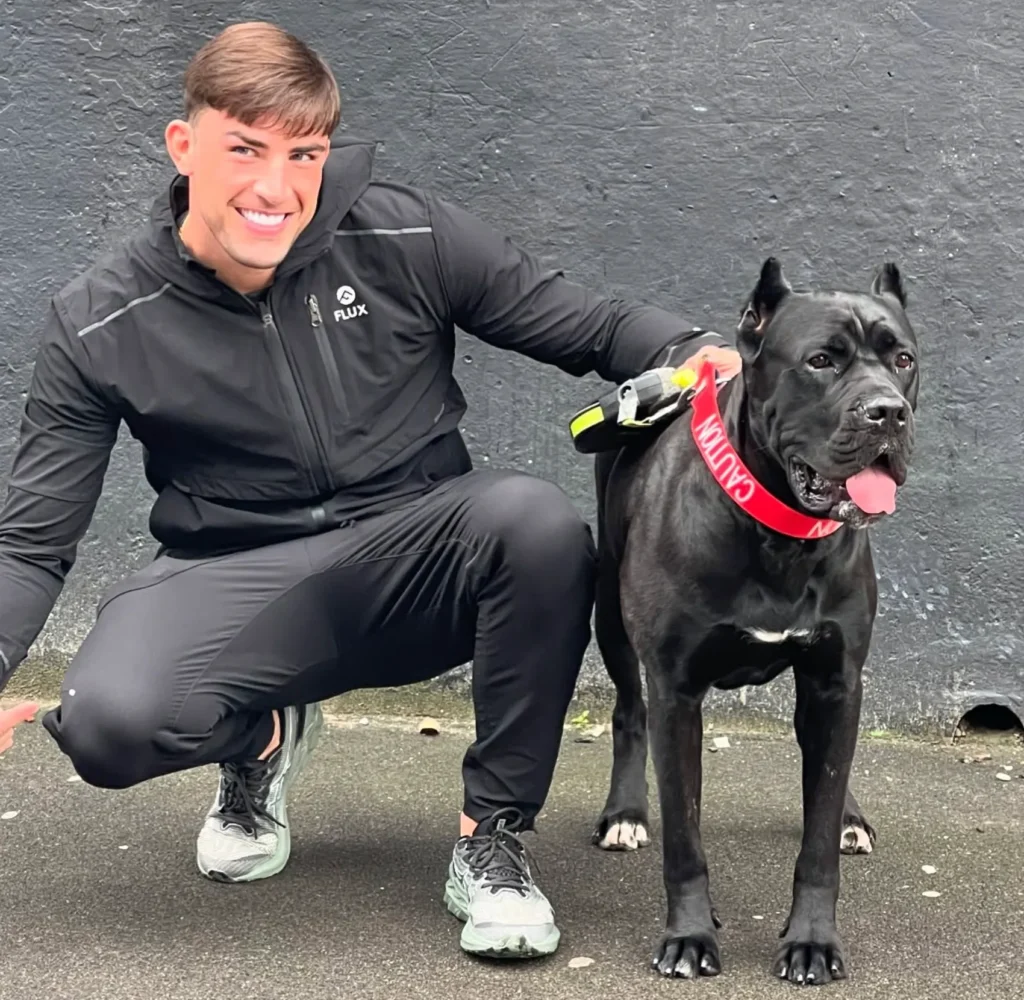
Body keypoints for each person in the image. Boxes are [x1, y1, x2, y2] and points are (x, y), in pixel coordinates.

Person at [0, 21, 740, 959]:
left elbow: (591, 324)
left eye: (302, 153)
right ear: (184, 147)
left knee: (537, 523)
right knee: (106, 727)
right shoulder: (101, 318)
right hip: (239, 578)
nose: (276, 188)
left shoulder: (402, 230)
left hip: (415, 560)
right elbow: (29, 544)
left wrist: (694, 352)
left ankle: (492, 841)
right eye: (245, 150)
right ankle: (259, 740)